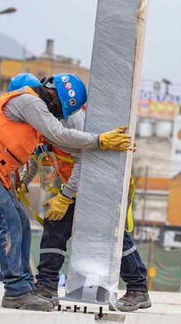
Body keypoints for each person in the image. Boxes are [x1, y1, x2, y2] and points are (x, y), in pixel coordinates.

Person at [0, 73, 132, 311]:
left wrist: (99, 147)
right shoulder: (30, 102)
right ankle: (16, 291)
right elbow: (59, 134)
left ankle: (24, 289)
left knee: (21, 224)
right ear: (53, 93)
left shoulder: (34, 113)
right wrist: (99, 141)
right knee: (9, 223)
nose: (58, 115)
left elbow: (61, 144)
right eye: (58, 110)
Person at [9, 77, 151, 312]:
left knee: (109, 234)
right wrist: (25, 179)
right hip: (76, 184)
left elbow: (84, 161)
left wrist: (65, 197)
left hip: (101, 181)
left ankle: (138, 288)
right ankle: (46, 287)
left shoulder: (70, 119)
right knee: (55, 226)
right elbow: (38, 153)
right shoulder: (38, 114)